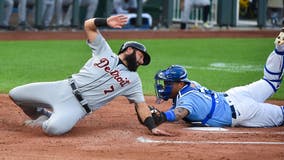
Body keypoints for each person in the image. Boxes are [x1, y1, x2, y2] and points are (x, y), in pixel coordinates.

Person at [9, 15, 171, 136]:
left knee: (52, 129)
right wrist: (106, 22)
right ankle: (41, 114)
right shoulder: (105, 51)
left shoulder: (133, 80)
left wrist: (152, 127)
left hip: (77, 108)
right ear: (129, 50)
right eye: (141, 56)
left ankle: (48, 119)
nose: (142, 61)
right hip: (61, 88)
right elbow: (88, 25)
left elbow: (141, 105)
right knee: (15, 94)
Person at [149, 29, 284, 128]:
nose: (164, 86)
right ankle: (280, 48)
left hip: (243, 110)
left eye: (168, 83)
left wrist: (163, 116)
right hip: (237, 95)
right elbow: (180, 106)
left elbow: (180, 112)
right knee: (270, 81)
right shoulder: (191, 85)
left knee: (281, 115)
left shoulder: (187, 100)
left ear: (180, 83)